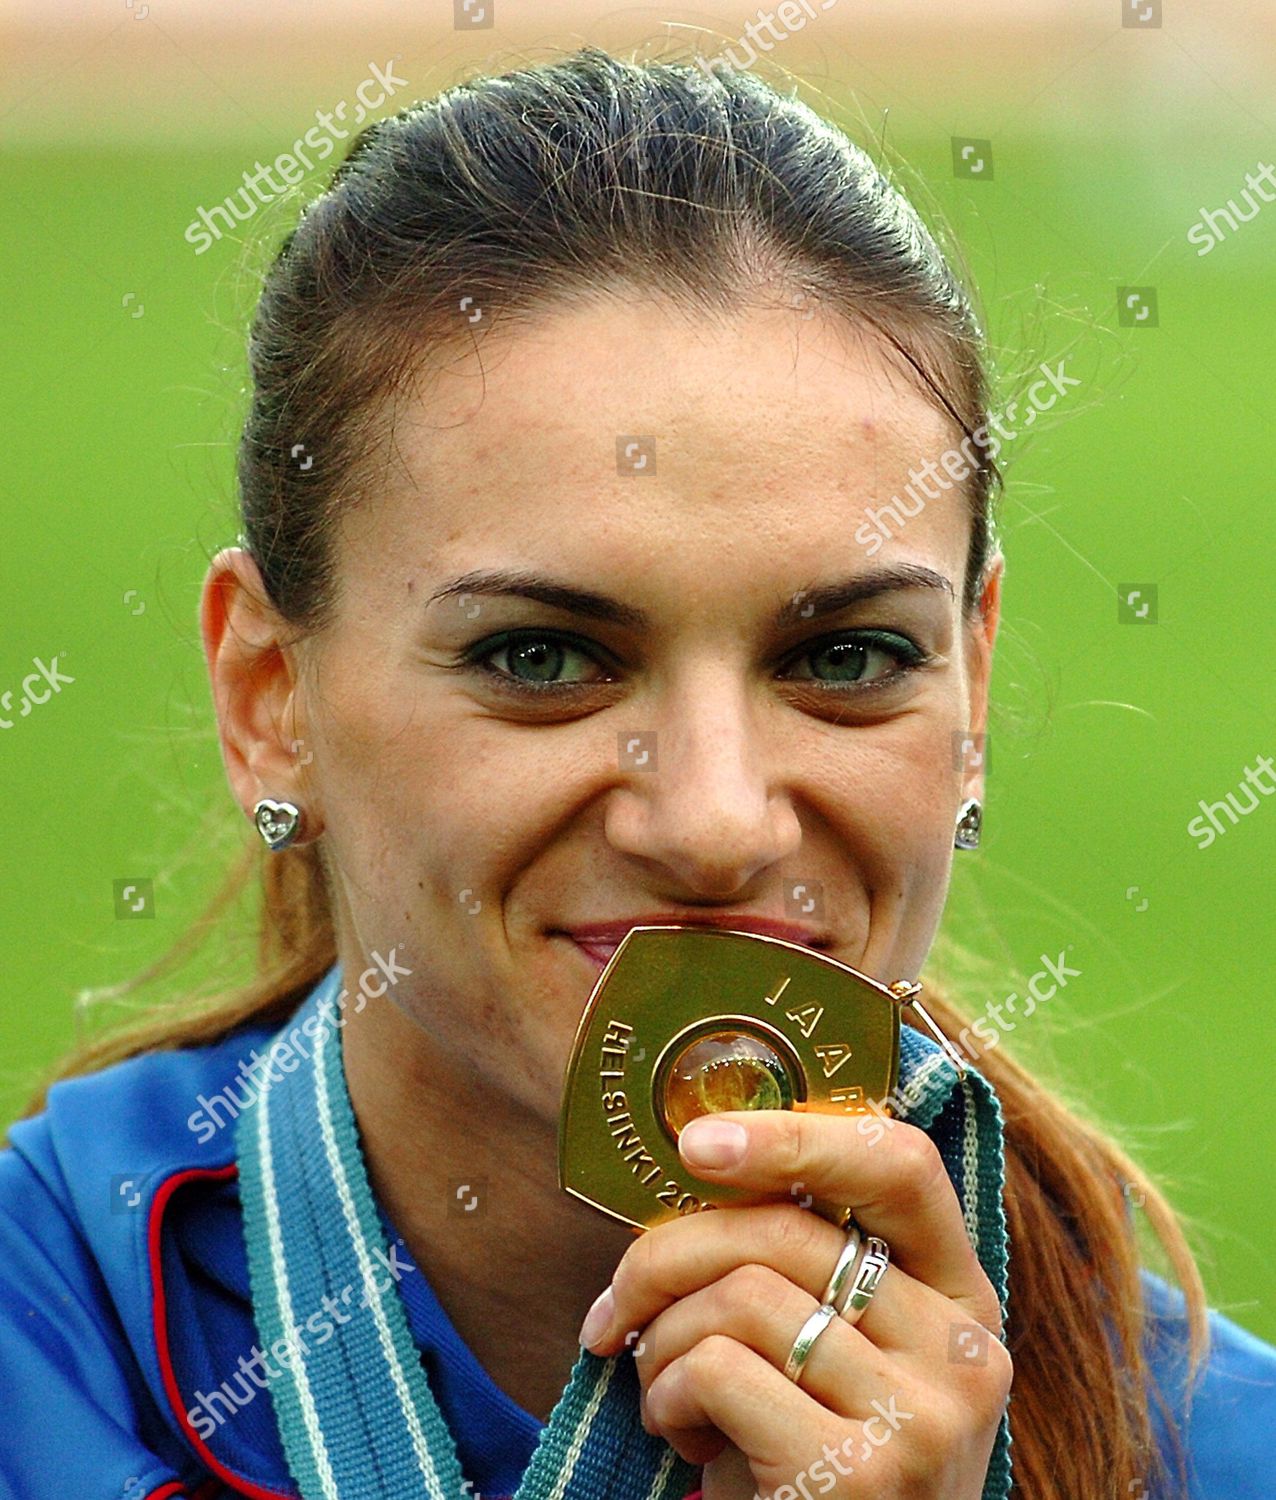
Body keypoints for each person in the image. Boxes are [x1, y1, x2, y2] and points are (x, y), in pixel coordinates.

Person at [2, 44, 1273, 1500]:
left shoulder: (1220, 1452)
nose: (719, 821)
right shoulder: (40, 1367)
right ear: (269, 701)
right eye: (543, 658)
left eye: (847, 657)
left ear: (972, 683)